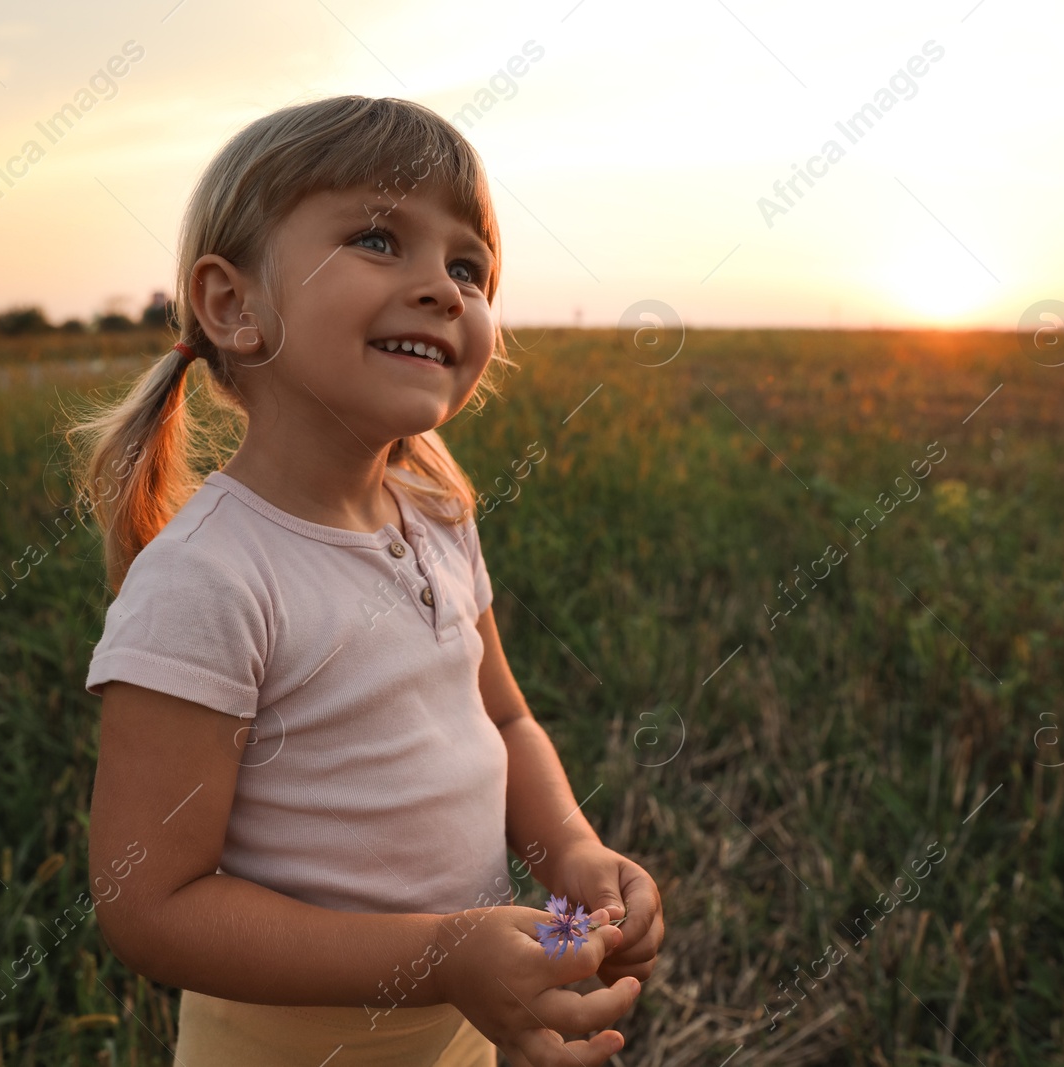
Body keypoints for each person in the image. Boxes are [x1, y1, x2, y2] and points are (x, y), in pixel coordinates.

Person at [67, 95, 664, 1067]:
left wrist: (573, 852)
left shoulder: (437, 512)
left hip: (457, 1019)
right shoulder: (211, 576)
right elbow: (149, 901)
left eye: (468, 265)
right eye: (380, 237)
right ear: (234, 305)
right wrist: (436, 951)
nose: (442, 286)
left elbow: (503, 718)